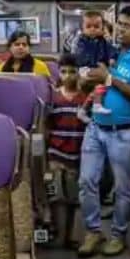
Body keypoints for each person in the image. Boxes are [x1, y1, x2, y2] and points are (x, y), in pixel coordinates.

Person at [76, 5, 130, 258]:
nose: (120, 30)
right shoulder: (109, 50)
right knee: (86, 181)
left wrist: (109, 79)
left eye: (127, 26)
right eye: (119, 24)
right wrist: (86, 80)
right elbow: (84, 85)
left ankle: (118, 234)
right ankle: (93, 231)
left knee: (123, 188)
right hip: (95, 127)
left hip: (124, 132)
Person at [47, 53, 87, 246]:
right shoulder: (53, 97)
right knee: (56, 196)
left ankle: (69, 236)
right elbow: (47, 126)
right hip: (56, 153)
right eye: (64, 72)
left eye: (72, 71)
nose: (68, 76)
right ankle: (57, 232)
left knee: (72, 198)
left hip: (77, 154)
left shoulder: (85, 98)